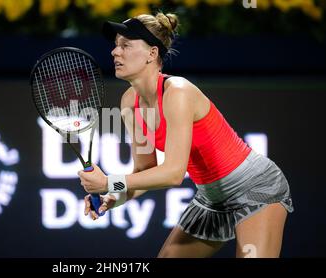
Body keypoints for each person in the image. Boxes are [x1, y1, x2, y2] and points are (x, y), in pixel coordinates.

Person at [77, 12, 293, 258]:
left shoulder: (178, 92)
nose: (115, 52)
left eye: (126, 45)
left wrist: (108, 181)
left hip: (256, 187)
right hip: (213, 200)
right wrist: (112, 196)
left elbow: (173, 174)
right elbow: (143, 172)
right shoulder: (129, 102)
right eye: (115, 46)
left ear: (152, 54)